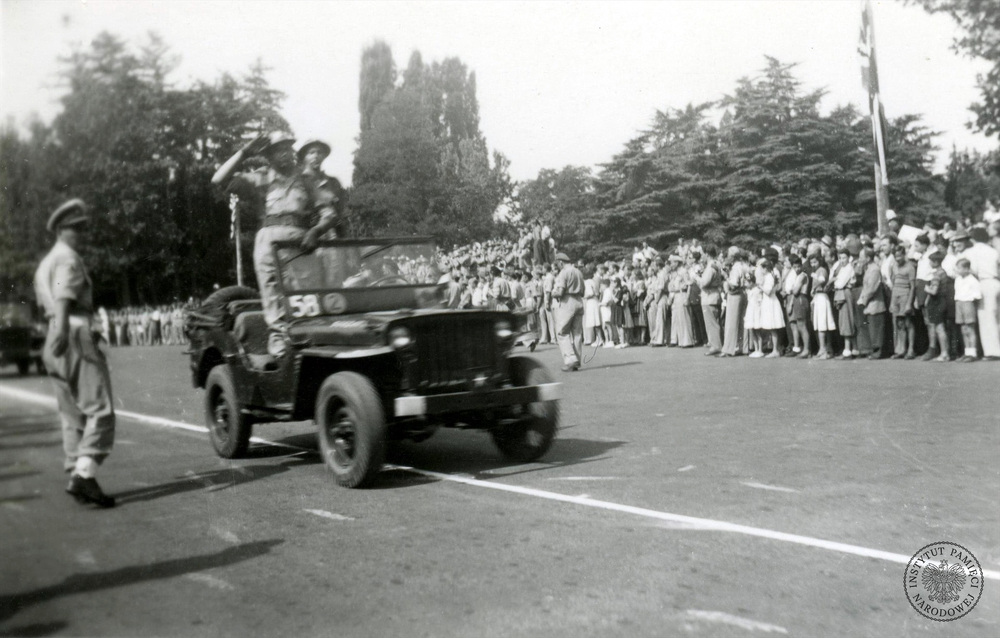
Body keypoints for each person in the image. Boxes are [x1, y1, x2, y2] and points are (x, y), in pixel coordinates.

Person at [212, 131, 339, 357]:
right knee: (272, 294)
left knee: (304, 293)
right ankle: (279, 344)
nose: (285, 154)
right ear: (269, 155)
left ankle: (308, 341)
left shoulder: (306, 180)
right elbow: (218, 179)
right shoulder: (260, 178)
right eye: (279, 150)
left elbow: (329, 213)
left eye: (288, 148)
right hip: (268, 241)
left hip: (301, 241)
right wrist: (243, 153)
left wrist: (316, 230)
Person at [33, 199, 116, 508]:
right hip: (72, 330)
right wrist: (67, 329)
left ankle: (76, 474)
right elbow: (65, 296)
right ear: (61, 230)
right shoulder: (68, 259)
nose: (82, 234)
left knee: (71, 413)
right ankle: (84, 475)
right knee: (100, 408)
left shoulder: (46, 262)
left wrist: (59, 329)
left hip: (53, 333)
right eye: (76, 228)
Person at [956, 228, 1000, 360]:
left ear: (973, 239)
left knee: (986, 319)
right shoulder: (994, 250)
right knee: (997, 318)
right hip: (996, 282)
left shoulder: (971, 252)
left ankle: (992, 352)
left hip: (984, 283)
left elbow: (971, 270)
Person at [297, 139, 349, 239]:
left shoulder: (333, 182)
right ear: (304, 157)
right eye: (311, 153)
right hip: (307, 235)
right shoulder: (299, 181)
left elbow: (341, 211)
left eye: (319, 152)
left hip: (333, 234)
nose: (316, 156)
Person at [551, 252, 585, 371]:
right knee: (577, 333)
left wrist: (553, 293)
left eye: (558, 264)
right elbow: (583, 292)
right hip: (579, 301)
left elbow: (560, 292)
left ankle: (571, 359)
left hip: (567, 301)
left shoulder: (563, 273)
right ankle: (577, 360)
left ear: (561, 262)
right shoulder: (578, 272)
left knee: (562, 332)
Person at [857, 247, 888, 360]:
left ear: (868, 258)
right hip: (870, 303)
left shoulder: (874, 269)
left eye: (862, 257)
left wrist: (863, 300)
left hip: (875, 303)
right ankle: (874, 350)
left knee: (876, 328)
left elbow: (872, 288)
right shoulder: (868, 268)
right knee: (872, 327)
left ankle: (878, 351)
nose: (860, 259)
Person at [953, 257, 982, 362]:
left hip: (968, 303)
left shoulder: (972, 280)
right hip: (959, 303)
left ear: (967, 269)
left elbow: (977, 295)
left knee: (970, 329)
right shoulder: (958, 279)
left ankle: (973, 354)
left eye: (959, 268)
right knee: (963, 329)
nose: (957, 270)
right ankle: (967, 353)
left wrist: (970, 303)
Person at [698, 246, 723, 355]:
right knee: (714, 322)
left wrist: (696, 277)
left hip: (709, 297)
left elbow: (704, 283)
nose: (701, 256)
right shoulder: (716, 264)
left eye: (702, 254)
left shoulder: (711, 267)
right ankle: (716, 344)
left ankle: (715, 346)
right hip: (714, 295)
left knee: (711, 323)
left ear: (707, 254)